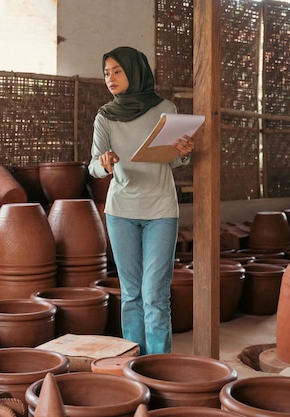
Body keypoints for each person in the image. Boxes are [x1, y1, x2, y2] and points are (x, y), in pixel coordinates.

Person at [88, 46, 195, 355]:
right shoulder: (105, 116)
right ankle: (135, 364)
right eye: (107, 72)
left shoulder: (166, 108)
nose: (110, 78)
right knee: (132, 294)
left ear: (135, 70)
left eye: (117, 71)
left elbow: (171, 160)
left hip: (161, 209)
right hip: (120, 210)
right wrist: (104, 162)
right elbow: (93, 165)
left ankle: (159, 365)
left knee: (156, 295)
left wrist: (183, 153)